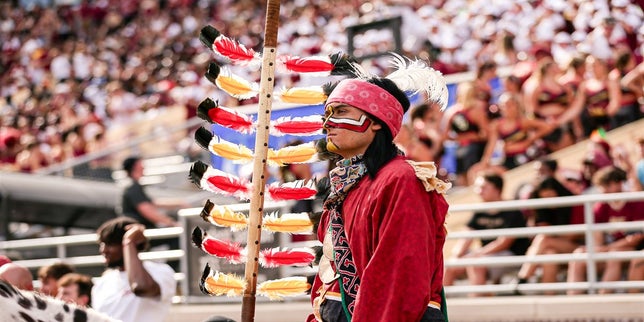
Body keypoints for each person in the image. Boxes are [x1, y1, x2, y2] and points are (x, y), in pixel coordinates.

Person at [308, 74, 450, 322]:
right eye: (327, 114)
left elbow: (398, 279)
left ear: (376, 121)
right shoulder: (346, 183)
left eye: (341, 111)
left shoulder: (402, 180)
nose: (327, 123)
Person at [443, 172, 530, 296]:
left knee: (476, 264)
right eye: (477, 187)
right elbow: (467, 236)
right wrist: (457, 256)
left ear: (497, 189)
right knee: (450, 264)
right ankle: (442, 308)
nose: (479, 191)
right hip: (485, 254)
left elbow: (504, 243)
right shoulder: (480, 211)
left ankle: (476, 304)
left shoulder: (512, 209)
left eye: (483, 187)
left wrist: (475, 255)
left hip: (510, 255)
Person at [566, 166, 644, 295]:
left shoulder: (636, 202)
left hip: (629, 248)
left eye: (607, 185)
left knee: (615, 255)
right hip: (610, 248)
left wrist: (608, 248)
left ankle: (602, 298)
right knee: (578, 255)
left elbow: (635, 239)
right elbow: (598, 239)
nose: (604, 190)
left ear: (619, 183)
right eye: (603, 186)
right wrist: (600, 248)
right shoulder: (600, 206)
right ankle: (574, 300)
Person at [92, 217, 176, 322]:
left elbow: (140, 288)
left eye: (110, 244)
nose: (103, 250)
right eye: (102, 244)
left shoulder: (160, 271)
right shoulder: (102, 283)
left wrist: (129, 242)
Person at [513, 177, 585, 295]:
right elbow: (543, 230)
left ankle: (523, 278)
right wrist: (555, 235)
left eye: (551, 195)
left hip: (577, 247)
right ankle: (549, 296)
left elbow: (574, 235)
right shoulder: (543, 210)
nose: (549, 199)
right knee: (549, 253)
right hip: (554, 248)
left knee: (544, 239)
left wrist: (553, 234)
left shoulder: (574, 204)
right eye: (545, 197)